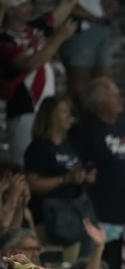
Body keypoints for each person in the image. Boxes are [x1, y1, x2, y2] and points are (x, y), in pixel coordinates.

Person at [0, 0, 77, 165]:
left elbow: (68, 4)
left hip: (47, 109)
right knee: (24, 164)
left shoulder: (37, 28)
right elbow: (29, 64)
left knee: (48, 163)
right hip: (24, 110)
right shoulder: (5, 39)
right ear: (10, 10)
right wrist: (59, 38)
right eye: (23, 4)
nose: (30, 6)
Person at [70, 77, 125, 256]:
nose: (120, 98)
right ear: (98, 103)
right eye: (113, 95)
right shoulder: (83, 131)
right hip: (102, 216)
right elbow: (79, 169)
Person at [24, 94, 97, 253]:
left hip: (78, 213)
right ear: (51, 116)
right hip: (52, 219)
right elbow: (33, 183)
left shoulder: (70, 144)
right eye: (64, 112)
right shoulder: (39, 148)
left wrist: (84, 178)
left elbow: (75, 173)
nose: (69, 116)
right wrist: (65, 179)